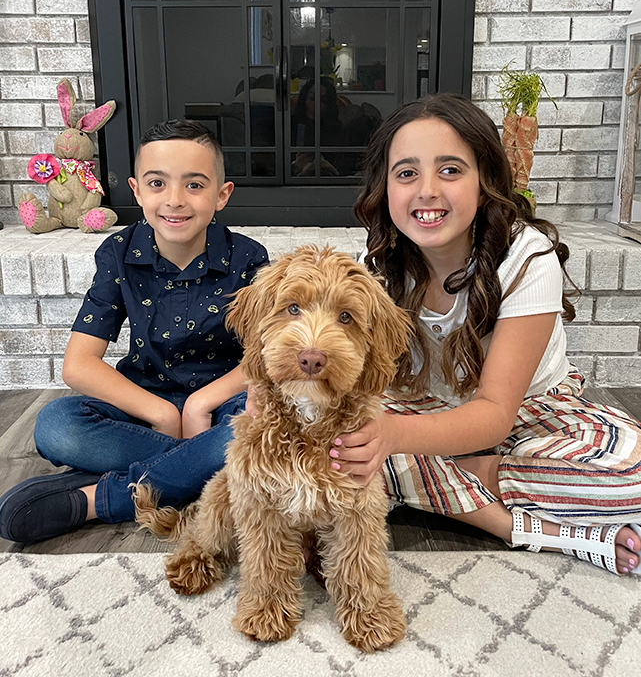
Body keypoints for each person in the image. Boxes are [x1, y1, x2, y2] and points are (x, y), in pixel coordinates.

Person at [328, 92, 641, 576]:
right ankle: (529, 526)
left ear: (484, 182)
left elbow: (496, 414)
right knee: (335, 441)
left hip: (530, 414)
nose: (427, 190)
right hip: (418, 408)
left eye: (450, 170)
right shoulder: (382, 261)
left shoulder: (525, 257)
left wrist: (391, 438)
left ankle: (448, 480)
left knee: (633, 477)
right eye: (406, 173)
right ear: (384, 187)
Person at [0, 119, 268, 544]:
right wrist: (162, 414)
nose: (175, 200)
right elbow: (79, 365)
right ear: (136, 190)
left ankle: (99, 496)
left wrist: (199, 404)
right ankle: (191, 473)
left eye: (195, 185)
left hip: (222, 403)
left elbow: (268, 357)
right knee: (56, 424)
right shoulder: (119, 253)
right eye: (157, 183)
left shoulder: (249, 258)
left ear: (222, 194)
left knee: (261, 433)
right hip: (146, 404)